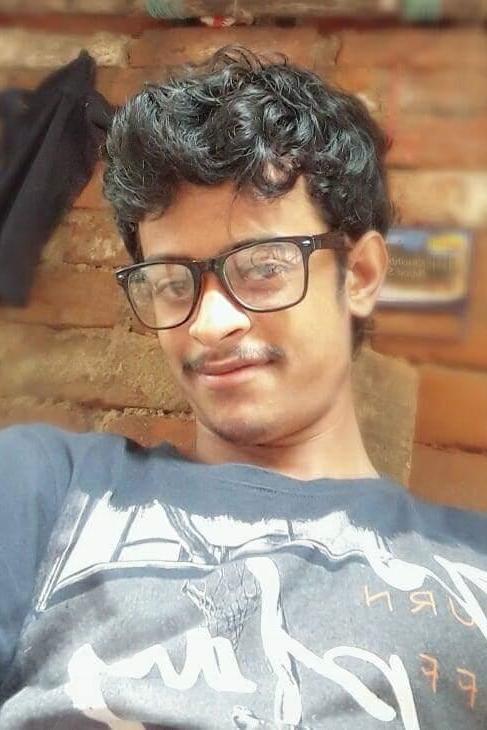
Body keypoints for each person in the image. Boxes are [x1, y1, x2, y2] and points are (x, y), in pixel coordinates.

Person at [0, 45, 485, 730]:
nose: (209, 324)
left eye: (262, 267)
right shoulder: (45, 489)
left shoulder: (470, 569)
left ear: (362, 275)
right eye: (173, 281)